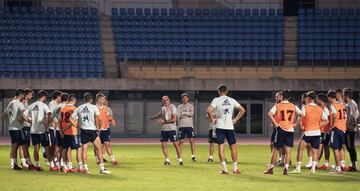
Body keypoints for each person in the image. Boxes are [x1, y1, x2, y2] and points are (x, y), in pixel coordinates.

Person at [207, 85, 246, 174]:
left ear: (218, 91)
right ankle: (235, 169)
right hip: (230, 127)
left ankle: (224, 169)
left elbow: (209, 111)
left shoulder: (216, 100)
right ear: (226, 91)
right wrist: (235, 120)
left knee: (221, 147)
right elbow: (242, 110)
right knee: (233, 147)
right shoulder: (232, 100)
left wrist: (213, 120)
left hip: (220, 126)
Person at [264, 90, 303, 175]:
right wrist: (296, 123)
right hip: (290, 130)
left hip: (280, 129)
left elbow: (269, 114)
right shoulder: (294, 106)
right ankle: (286, 168)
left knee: (275, 150)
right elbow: (302, 114)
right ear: (289, 97)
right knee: (288, 150)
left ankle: (270, 169)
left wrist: (275, 123)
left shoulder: (278, 105)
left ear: (281, 96)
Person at [70, 93, 110, 174]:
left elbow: (71, 118)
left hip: (83, 131)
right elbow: (99, 119)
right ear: (91, 100)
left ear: (84, 99)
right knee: (99, 149)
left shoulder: (79, 108)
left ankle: (86, 169)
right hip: (92, 130)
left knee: (84, 150)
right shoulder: (94, 107)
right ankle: (102, 169)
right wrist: (98, 128)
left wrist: (77, 126)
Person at [290, 91, 328, 174]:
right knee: (314, 151)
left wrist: (296, 124)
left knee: (299, 149)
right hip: (317, 133)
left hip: (308, 132)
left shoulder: (305, 107)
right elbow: (326, 120)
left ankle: (298, 168)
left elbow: (301, 115)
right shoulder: (319, 108)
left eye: (307, 97)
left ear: (309, 98)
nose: (306, 98)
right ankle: (313, 169)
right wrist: (319, 126)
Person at [2, 88, 31, 170]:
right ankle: (21, 163)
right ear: (21, 95)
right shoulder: (19, 103)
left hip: (11, 127)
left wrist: (12, 119)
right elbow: (23, 115)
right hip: (18, 128)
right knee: (20, 145)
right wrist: (30, 121)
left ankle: (13, 163)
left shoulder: (11, 102)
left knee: (15, 145)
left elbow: (3, 115)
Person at [28, 90, 57, 171]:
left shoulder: (31, 106)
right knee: (47, 147)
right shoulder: (44, 105)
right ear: (43, 97)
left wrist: (31, 121)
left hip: (33, 130)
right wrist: (47, 123)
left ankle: (37, 165)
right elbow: (49, 114)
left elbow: (25, 115)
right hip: (41, 130)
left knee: (36, 149)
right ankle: (51, 165)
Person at [150, 95, 183, 166]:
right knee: (163, 144)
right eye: (163, 100)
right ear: (162, 101)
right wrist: (153, 118)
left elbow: (174, 119)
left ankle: (180, 158)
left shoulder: (173, 107)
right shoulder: (163, 108)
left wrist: (164, 121)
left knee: (176, 144)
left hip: (171, 129)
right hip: (164, 129)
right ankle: (167, 159)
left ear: (169, 100)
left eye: (166, 100)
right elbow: (160, 114)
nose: (165, 101)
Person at [59, 94, 83, 173]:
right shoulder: (74, 108)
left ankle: (65, 165)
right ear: (74, 100)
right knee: (79, 148)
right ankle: (80, 166)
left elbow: (59, 121)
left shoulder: (63, 108)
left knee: (66, 148)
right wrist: (78, 127)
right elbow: (72, 121)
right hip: (73, 132)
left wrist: (62, 130)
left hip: (65, 133)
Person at [95, 93, 118, 165]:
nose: (104, 100)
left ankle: (113, 159)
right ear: (98, 99)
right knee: (97, 145)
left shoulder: (106, 108)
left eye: (104, 99)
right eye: (102, 99)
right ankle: (98, 159)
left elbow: (109, 117)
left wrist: (111, 120)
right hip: (97, 130)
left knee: (107, 144)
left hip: (105, 129)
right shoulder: (94, 107)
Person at [328, 90, 347, 174]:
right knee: (340, 148)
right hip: (343, 129)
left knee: (335, 148)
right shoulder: (341, 105)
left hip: (336, 128)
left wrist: (331, 125)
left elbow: (335, 115)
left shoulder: (333, 105)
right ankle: (339, 165)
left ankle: (338, 168)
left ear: (329, 97)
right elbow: (345, 117)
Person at [19, 88, 35, 169]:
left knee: (26, 144)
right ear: (26, 95)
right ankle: (26, 162)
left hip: (26, 126)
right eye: (30, 95)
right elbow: (22, 115)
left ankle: (24, 161)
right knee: (24, 144)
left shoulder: (26, 102)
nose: (31, 96)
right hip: (24, 126)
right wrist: (30, 121)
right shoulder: (23, 102)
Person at [177, 93, 196, 162]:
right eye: (183, 98)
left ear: (188, 99)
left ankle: (193, 156)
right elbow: (178, 116)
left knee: (192, 141)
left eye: (186, 98)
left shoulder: (191, 106)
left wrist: (184, 113)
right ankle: (179, 156)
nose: (185, 99)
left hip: (189, 126)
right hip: (181, 126)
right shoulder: (179, 107)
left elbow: (191, 114)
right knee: (181, 141)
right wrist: (187, 114)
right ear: (182, 99)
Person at [343, 88, 359, 172]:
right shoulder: (351, 103)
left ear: (347, 96)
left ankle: (354, 166)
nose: (343, 97)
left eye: (344, 95)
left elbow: (352, 117)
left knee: (350, 147)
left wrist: (347, 126)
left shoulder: (350, 104)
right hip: (350, 127)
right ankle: (353, 165)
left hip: (350, 128)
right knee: (350, 147)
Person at [48, 90, 62, 170]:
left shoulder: (57, 104)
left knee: (56, 144)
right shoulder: (52, 104)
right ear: (57, 96)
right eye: (60, 96)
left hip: (56, 127)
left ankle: (54, 159)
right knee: (54, 144)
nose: (61, 98)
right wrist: (54, 124)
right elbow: (50, 115)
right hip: (53, 127)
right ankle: (51, 159)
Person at [316, 93, 331, 170]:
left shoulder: (325, 109)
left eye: (317, 99)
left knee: (322, 146)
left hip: (324, 130)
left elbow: (327, 121)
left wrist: (319, 126)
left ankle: (321, 163)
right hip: (324, 130)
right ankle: (324, 163)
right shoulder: (323, 108)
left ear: (320, 100)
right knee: (324, 146)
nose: (316, 100)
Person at [270, 91, 285, 166]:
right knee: (273, 144)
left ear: (282, 97)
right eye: (275, 96)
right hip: (277, 127)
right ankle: (278, 160)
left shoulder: (283, 105)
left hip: (282, 127)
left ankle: (281, 160)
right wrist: (273, 122)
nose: (276, 98)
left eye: (277, 96)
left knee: (282, 145)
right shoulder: (276, 105)